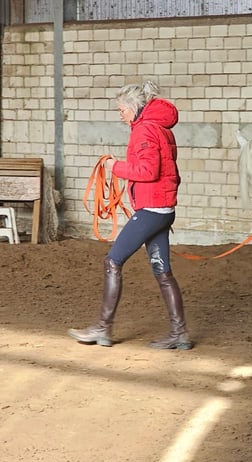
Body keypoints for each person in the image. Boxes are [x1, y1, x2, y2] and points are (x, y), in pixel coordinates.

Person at [68, 80, 192, 350]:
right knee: (163, 271)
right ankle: (179, 333)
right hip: (163, 209)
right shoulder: (160, 128)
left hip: (151, 210)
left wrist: (115, 167)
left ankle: (102, 328)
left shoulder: (144, 130)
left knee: (113, 261)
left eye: (121, 110)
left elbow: (149, 172)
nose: (120, 115)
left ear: (135, 107)